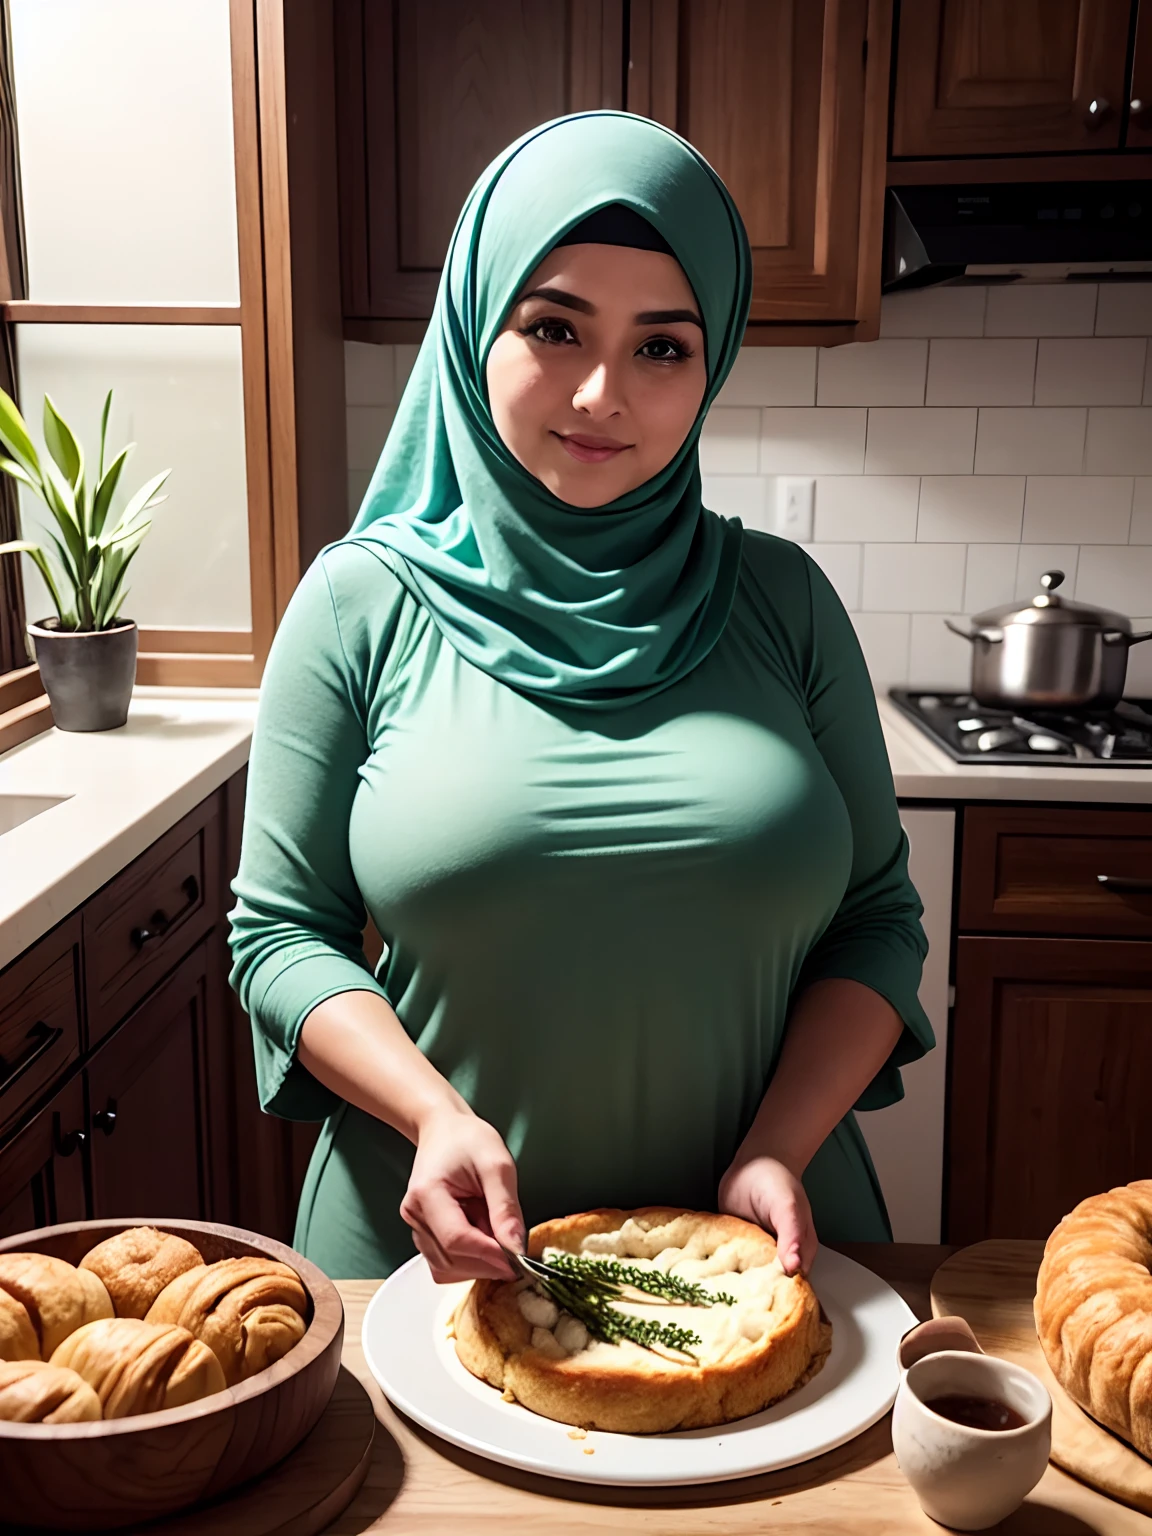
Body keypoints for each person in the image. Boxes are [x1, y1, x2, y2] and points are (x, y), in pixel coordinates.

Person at [227, 111, 933, 1286]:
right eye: (554, 327)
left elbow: (877, 921)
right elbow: (281, 935)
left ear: (713, 364)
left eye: (663, 347)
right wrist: (428, 1115)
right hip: (437, 1262)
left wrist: (777, 1148)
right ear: (471, 326)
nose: (603, 392)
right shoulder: (360, 603)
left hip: (764, 1254)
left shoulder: (785, 602)